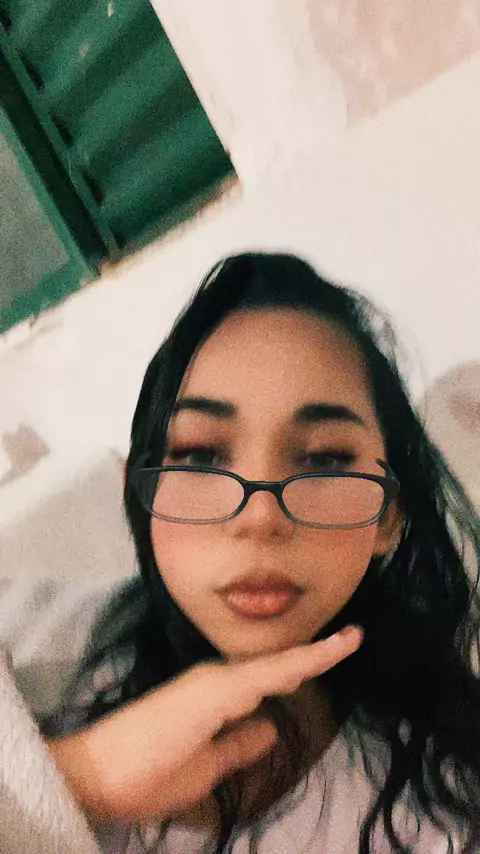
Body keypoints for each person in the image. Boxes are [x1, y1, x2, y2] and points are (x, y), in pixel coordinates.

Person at [1, 252, 479, 854]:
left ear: (389, 516)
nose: (260, 518)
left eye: (324, 459)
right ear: (139, 497)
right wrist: (75, 781)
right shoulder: (30, 652)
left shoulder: (447, 794)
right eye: (201, 456)